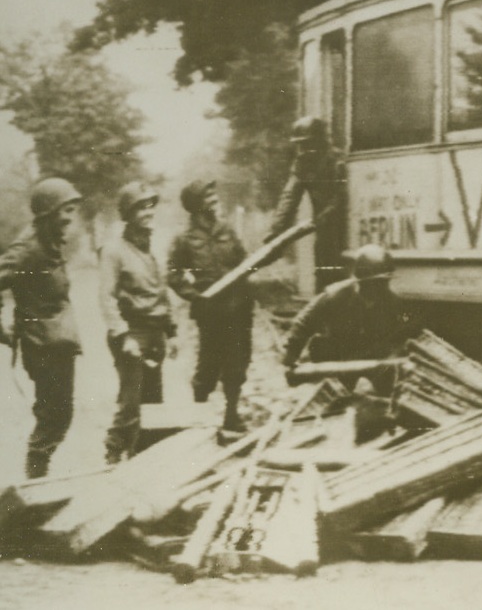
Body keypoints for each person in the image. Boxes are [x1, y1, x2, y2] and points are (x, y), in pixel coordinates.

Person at [0, 178, 84, 478]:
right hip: (42, 345)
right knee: (54, 416)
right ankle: (36, 476)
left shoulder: (50, 241)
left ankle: (38, 472)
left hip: (58, 342)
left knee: (60, 414)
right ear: (48, 212)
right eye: (66, 210)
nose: (70, 218)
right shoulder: (27, 249)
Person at [168, 180, 253, 436]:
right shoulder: (185, 239)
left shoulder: (227, 229)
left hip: (238, 309)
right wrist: (194, 295)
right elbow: (173, 275)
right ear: (196, 205)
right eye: (208, 196)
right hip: (211, 314)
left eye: (214, 194)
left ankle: (231, 415)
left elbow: (244, 260)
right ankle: (199, 419)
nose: (215, 199)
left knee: (237, 366)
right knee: (208, 368)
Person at [101, 181, 176, 463]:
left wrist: (172, 331)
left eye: (150, 206)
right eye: (141, 207)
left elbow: (160, 293)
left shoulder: (149, 250)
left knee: (153, 403)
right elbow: (106, 298)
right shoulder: (113, 251)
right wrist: (123, 336)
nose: (148, 212)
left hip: (155, 334)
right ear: (128, 214)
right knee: (131, 402)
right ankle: (112, 452)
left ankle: (141, 458)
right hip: (132, 334)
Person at [281, 244, 417, 390]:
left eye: (383, 282)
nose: (380, 287)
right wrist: (291, 354)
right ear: (362, 281)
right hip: (337, 355)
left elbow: (406, 331)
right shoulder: (336, 295)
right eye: (375, 283)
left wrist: (404, 355)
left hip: (372, 358)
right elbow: (304, 322)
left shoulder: (393, 302)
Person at [266, 116, 347, 292]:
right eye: (300, 145)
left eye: (307, 144)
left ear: (320, 141)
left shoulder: (336, 161)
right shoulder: (302, 163)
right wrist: (275, 232)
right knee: (323, 275)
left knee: (341, 279)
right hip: (324, 231)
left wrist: (323, 217)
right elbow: (289, 197)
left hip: (343, 229)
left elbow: (339, 197)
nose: (302, 150)